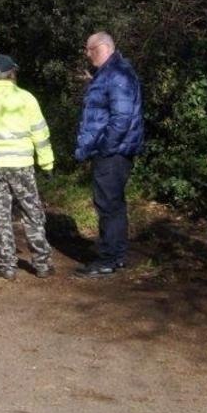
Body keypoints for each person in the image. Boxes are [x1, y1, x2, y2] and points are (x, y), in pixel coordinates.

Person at [0, 55, 55, 280]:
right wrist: (47, 163)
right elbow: (40, 134)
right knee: (32, 212)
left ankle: (7, 266)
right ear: (12, 73)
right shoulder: (26, 99)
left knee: (0, 215)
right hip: (22, 166)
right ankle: (42, 264)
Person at [74, 32, 144, 277]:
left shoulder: (116, 74)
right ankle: (117, 256)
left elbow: (121, 118)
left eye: (88, 49)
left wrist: (105, 147)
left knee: (108, 205)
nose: (86, 53)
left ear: (100, 47)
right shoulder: (111, 73)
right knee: (113, 204)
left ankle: (108, 259)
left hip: (112, 153)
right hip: (113, 151)